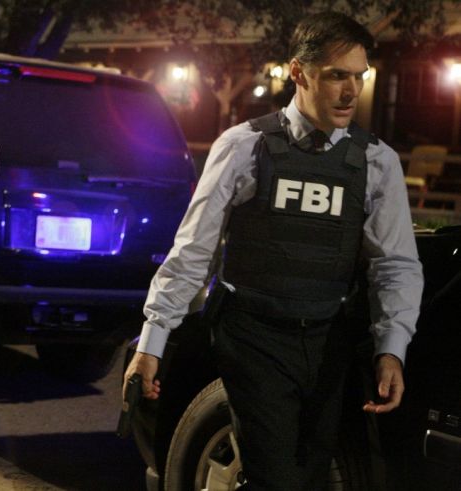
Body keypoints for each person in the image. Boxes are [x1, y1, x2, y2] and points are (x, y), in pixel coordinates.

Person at [124, 11, 423, 491]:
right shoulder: (245, 147)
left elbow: (396, 266)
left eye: (359, 77)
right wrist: (152, 340)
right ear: (299, 73)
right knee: (276, 477)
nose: (351, 91)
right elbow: (192, 251)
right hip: (254, 338)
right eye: (336, 76)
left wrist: (392, 350)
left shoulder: (375, 162)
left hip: (328, 342)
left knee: (310, 477)